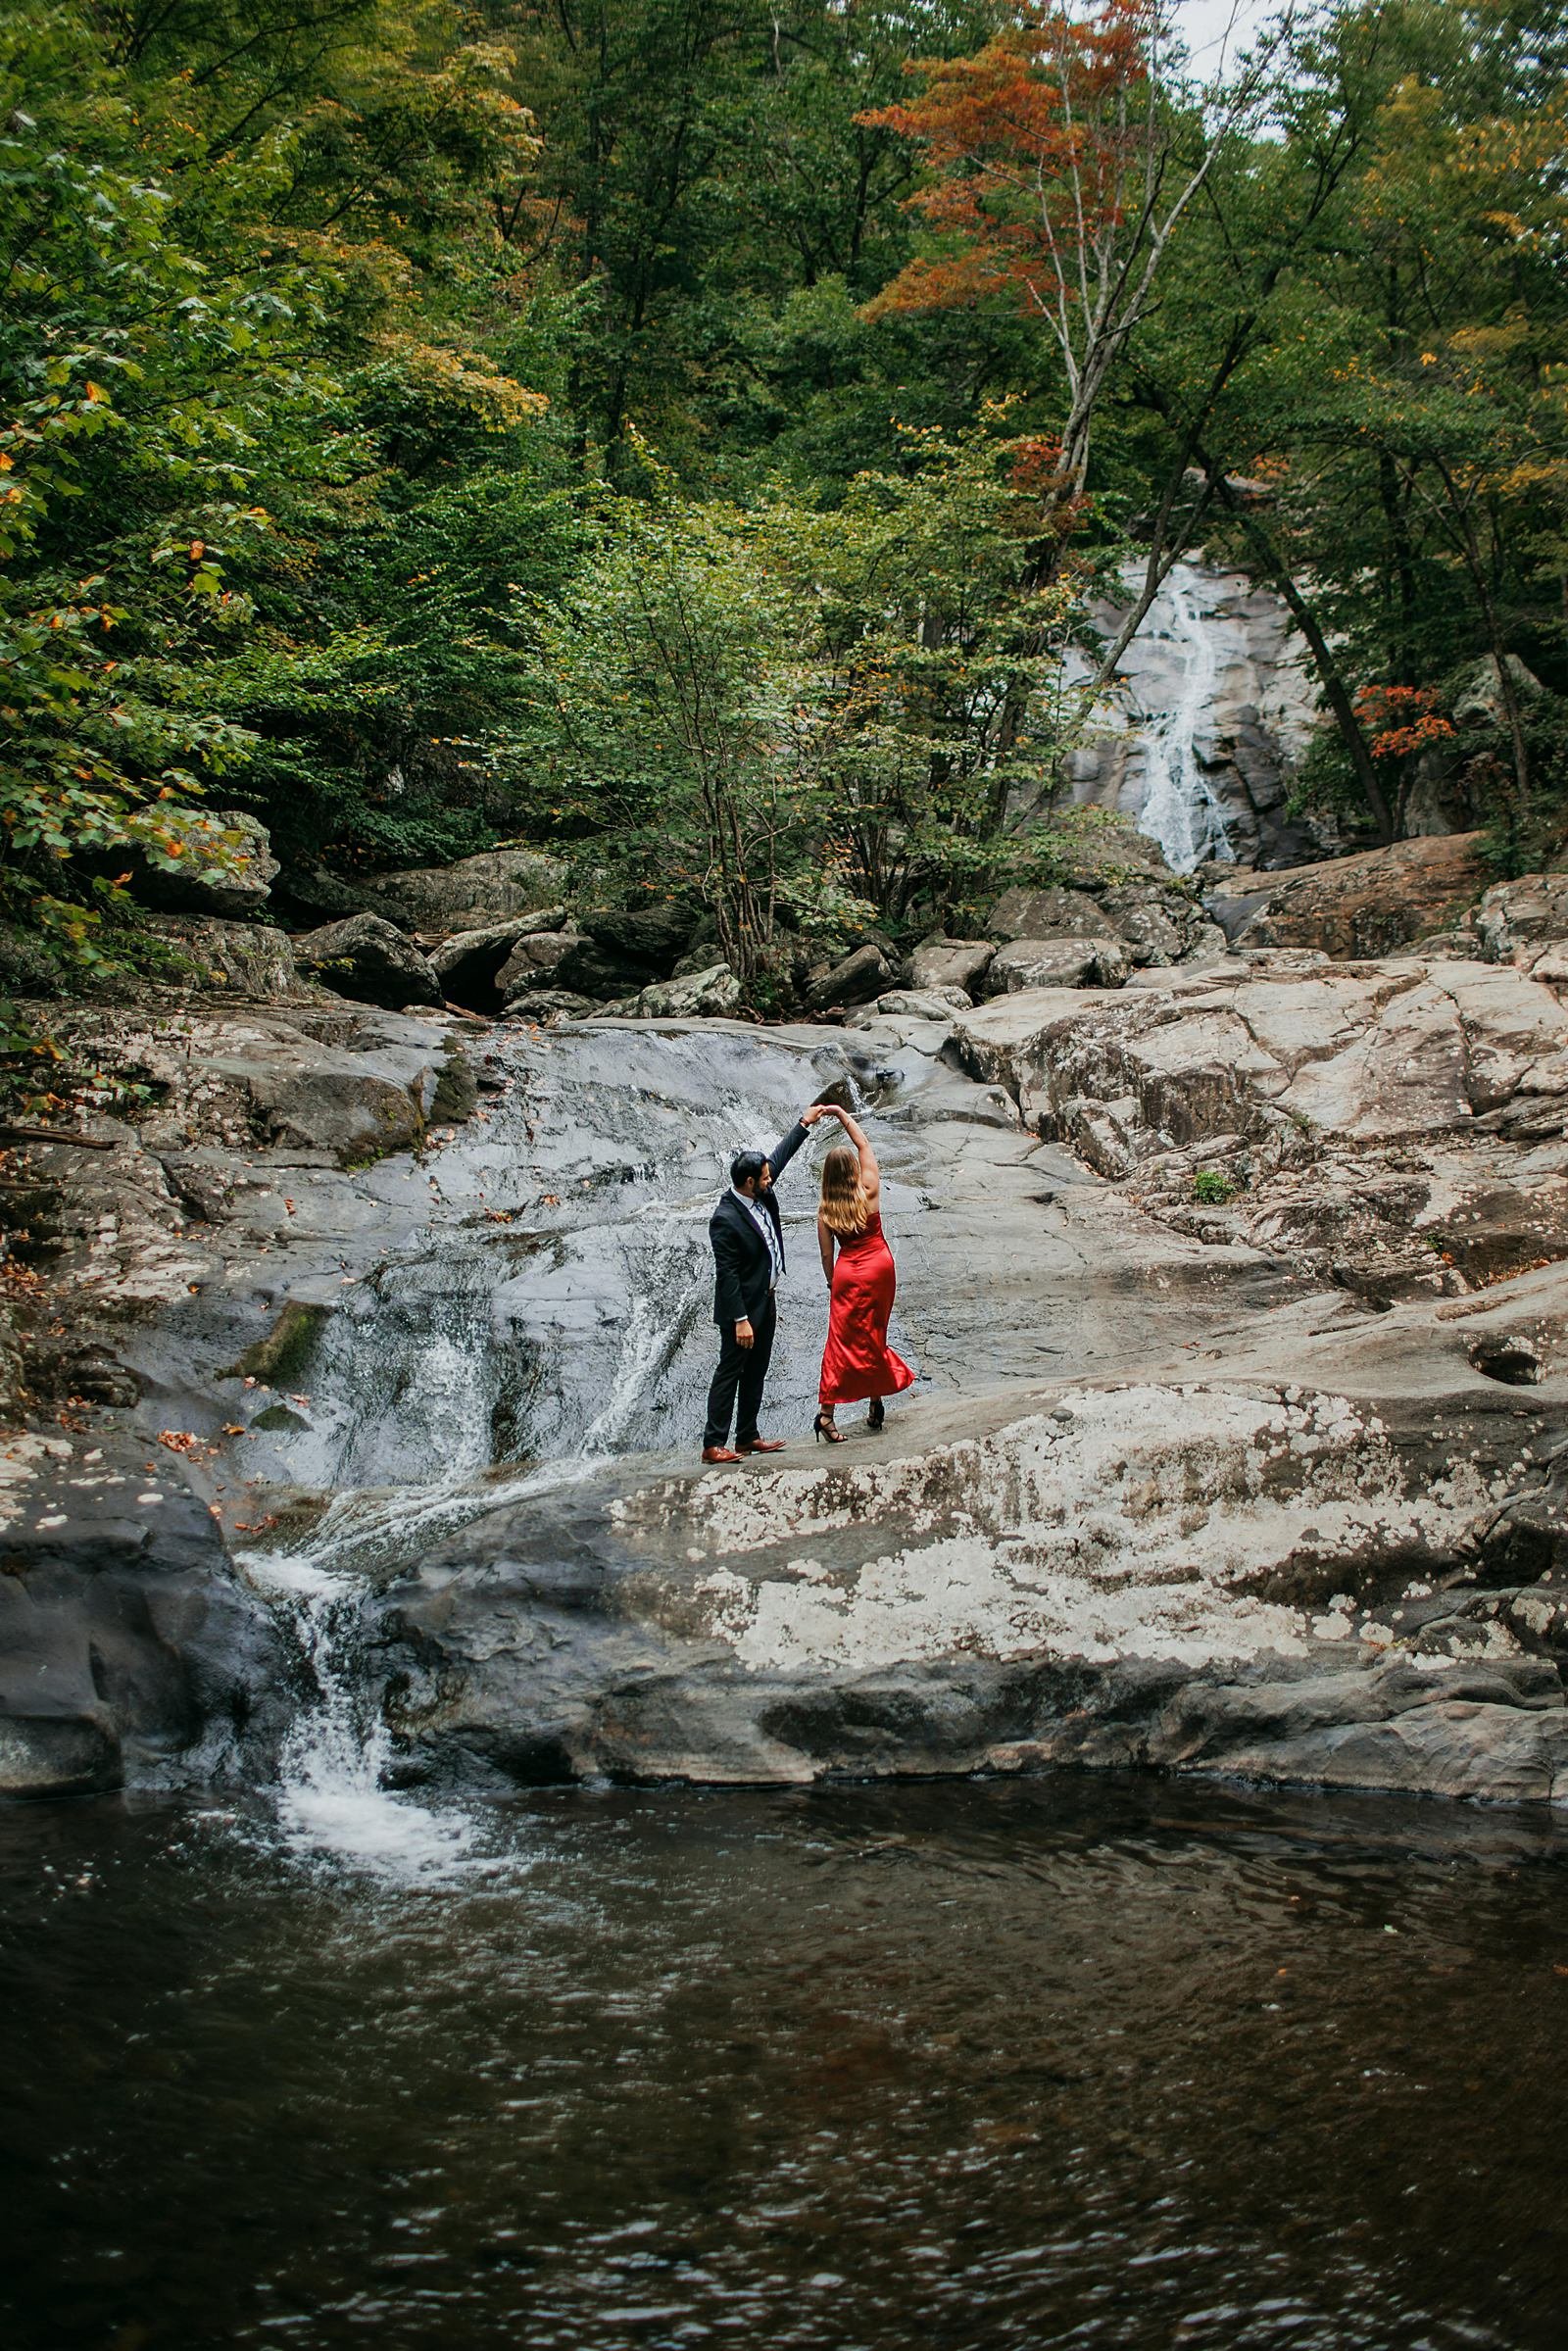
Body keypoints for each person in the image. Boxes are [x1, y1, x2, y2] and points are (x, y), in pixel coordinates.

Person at [702, 1102, 833, 1465]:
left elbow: (780, 1157)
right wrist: (740, 1319)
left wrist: (803, 1124)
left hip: (767, 1299)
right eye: (764, 1178)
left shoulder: (759, 1188)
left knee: (757, 1369)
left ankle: (746, 1437)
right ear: (748, 1183)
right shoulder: (724, 1219)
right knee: (731, 1371)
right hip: (741, 1310)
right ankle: (713, 1444)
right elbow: (725, 1273)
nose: (770, 1179)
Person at [812, 1102, 913, 1442]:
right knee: (875, 1334)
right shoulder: (868, 1188)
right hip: (880, 1267)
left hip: (848, 1273)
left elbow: (827, 1255)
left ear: (827, 1177)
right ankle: (874, 1403)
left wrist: (832, 1281)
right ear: (853, 1169)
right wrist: (842, 1115)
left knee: (840, 1342)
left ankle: (827, 1414)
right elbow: (864, 1145)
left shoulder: (826, 1210)